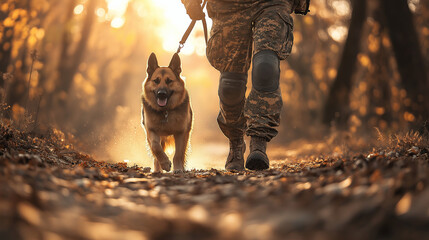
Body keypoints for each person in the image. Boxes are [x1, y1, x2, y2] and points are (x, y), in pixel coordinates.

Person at [181, 0, 295, 170]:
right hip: (227, 6)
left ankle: (259, 142)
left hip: (272, 3)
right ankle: (236, 143)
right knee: (230, 86)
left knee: (266, 67)